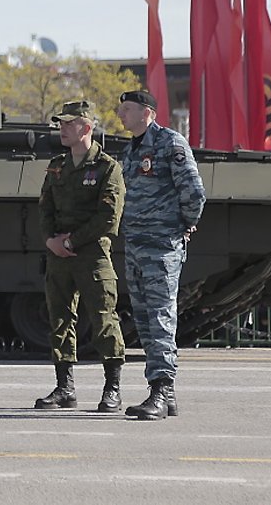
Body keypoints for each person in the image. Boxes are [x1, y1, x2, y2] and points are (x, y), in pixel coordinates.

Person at [116, 90, 206, 421]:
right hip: (137, 245)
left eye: (127, 109)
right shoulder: (131, 150)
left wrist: (184, 225)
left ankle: (161, 389)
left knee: (159, 318)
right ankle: (165, 396)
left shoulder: (170, 143)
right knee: (144, 320)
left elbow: (194, 192)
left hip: (161, 246)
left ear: (148, 112)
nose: (120, 114)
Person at [35, 100, 127, 412]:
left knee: (103, 318)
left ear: (86, 127)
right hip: (59, 254)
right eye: (60, 123)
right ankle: (65, 387)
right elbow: (45, 207)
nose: (62, 128)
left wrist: (72, 240)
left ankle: (112, 387)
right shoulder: (57, 165)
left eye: (69, 123)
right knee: (59, 319)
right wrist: (50, 241)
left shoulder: (107, 168)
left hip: (91, 254)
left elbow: (108, 218)